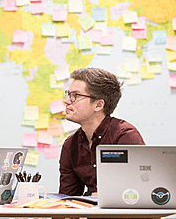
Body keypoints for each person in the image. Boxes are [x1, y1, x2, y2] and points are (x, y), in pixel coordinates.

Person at [59, 67, 145, 196]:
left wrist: (98, 195)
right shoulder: (70, 145)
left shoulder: (125, 136)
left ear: (98, 105)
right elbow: (68, 200)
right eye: (68, 94)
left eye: (75, 96)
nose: (66, 101)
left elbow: (140, 189)